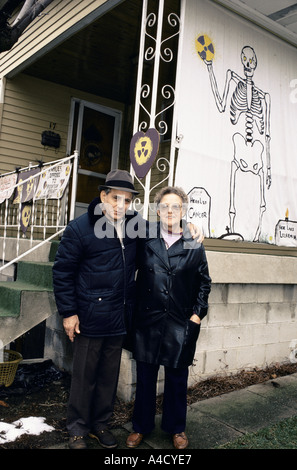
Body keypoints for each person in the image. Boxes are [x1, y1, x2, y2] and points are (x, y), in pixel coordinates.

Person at [52, 169, 141, 449]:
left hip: (118, 318)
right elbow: (63, 272)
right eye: (115, 198)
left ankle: (100, 425)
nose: (120, 205)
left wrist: (189, 230)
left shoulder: (135, 226)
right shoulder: (79, 227)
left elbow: (163, 235)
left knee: (107, 377)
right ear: (103, 196)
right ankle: (77, 428)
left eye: (126, 201)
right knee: (84, 378)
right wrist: (69, 312)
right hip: (88, 318)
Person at [126, 186, 211, 450]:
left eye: (176, 206)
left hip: (180, 322)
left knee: (176, 380)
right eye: (165, 206)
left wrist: (197, 315)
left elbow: (204, 283)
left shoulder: (193, 242)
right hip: (147, 321)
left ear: (184, 210)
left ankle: (177, 428)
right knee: (146, 378)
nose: (170, 211)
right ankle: (141, 427)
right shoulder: (144, 236)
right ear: (158, 210)